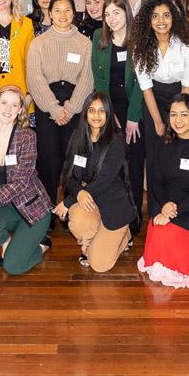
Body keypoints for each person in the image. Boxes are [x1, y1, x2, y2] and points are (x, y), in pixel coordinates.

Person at [0, 85, 53, 275]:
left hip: (32, 206)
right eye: (4, 103)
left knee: (12, 266)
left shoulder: (27, 137)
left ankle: (42, 245)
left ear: (21, 110)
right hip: (3, 205)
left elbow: (21, 181)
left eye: (14, 105)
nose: (8, 109)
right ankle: (7, 243)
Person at [138, 94, 189, 288]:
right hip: (167, 204)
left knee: (166, 235)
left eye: (183, 114)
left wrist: (175, 210)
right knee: (159, 231)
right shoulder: (163, 143)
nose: (178, 120)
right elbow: (157, 182)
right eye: (173, 115)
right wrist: (165, 205)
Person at [53, 92, 135, 272]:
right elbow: (69, 174)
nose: (96, 116)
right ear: (85, 113)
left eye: (101, 111)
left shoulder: (117, 140)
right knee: (79, 222)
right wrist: (78, 193)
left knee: (99, 265)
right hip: (89, 201)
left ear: (108, 113)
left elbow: (104, 180)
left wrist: (70, 201)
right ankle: (92, 247)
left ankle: (124, 235)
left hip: (113, 205)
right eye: (91, 110)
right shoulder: (77, 135)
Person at [26, 0, 95, 204]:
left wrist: (71, 108)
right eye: (57, 10)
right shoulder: (38, 43)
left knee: (73, 157)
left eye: (67, 10)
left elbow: (87, 78)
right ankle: (46, 211)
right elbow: (34, 79)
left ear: (74, 13)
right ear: (50, 13)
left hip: (75, 105)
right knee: (49, 160)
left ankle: (69, 208)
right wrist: (55, 109)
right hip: (47, 105)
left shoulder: (85, 43)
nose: (62, 15)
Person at [91, 0, 146, 226]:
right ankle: (113, 215)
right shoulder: (98, 38)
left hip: (135, 108)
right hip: (109, 110)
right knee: (112, 164)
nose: (111, 19)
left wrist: (133, 118)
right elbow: (99, 78)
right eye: (107, 15)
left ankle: (134, 219)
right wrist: (107, 112)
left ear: (127, 14)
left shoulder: (140, 39)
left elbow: (144, 81)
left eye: (116, 13)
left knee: (133, 165)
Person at [131, 0, 189, 162]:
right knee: (155, 150)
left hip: (180, 99)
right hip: (152, 100)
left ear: (173, 18)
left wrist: (179, 117)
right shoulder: (140, 48)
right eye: (155, 16)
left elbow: (187, 89)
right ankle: (155, 189)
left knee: (176, 148)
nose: (161, 20)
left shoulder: (188, 46)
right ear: (149, 20)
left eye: (166, 15)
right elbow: (146, 88)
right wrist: (157, 122)